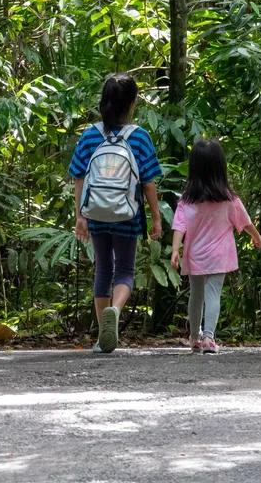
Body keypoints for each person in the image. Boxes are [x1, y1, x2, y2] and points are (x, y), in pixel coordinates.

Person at [70, 73, 162, 353]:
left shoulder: (89, 135)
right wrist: (156, 219)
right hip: (127, 213)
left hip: (96, 213)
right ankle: (116, 311)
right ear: (132, 103)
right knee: (124, 270)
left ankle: (101, 339)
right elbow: (148, 184)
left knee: (103, 270)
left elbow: (78, 178)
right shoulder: (139, 137)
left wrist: (80, 216)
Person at [171, 138, 261, 354]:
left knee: (196, 295)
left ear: (193, 168)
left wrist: (175, 249)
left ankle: (194, 337)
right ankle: (209, 338)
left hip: (195, 255)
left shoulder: (187, 200)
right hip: (219, 256)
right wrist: (256, 236)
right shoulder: (229, 200)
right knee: (213, 294)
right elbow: (245, 222)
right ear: (220, 167)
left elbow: (179, 227)